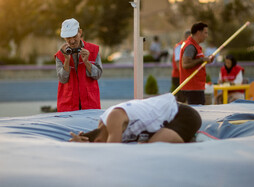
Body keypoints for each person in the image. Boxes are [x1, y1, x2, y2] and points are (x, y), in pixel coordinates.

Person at [69, 93, 202, 143]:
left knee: (152, 148)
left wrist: (86, 149)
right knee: (145, 146)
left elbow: (111, 153)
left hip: (182, 115)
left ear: (98, 141)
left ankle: (193, 140)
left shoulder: (113, 118)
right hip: (165, 122)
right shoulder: (102, 124)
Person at [55, 18, 103, 112]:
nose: (72, 41)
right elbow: (62, 79)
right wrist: (66, 61)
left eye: (74, 36)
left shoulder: (93, 50)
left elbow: (98, 75)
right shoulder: (60, 55)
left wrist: (87, 62)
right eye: (68, 38)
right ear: (64, 38)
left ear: (80, 32)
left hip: (90, 104)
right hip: (68, 106)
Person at [178, 22, 214, 105]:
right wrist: (202, 60)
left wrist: (206, 60)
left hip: (196, 87)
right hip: (192, 88)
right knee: (195, 114)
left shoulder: (196, 46)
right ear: (198, 33)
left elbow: (197, 62)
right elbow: (185, 64)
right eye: (205, 33)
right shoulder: (190, 46)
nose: (206, 36)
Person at [171, 30, 191, 99]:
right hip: (178, 76)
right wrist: (183, 74)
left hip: (182, 75)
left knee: (184, 96)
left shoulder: (186, 46)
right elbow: (177, 62)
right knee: (181, 97)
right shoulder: (179, 46)